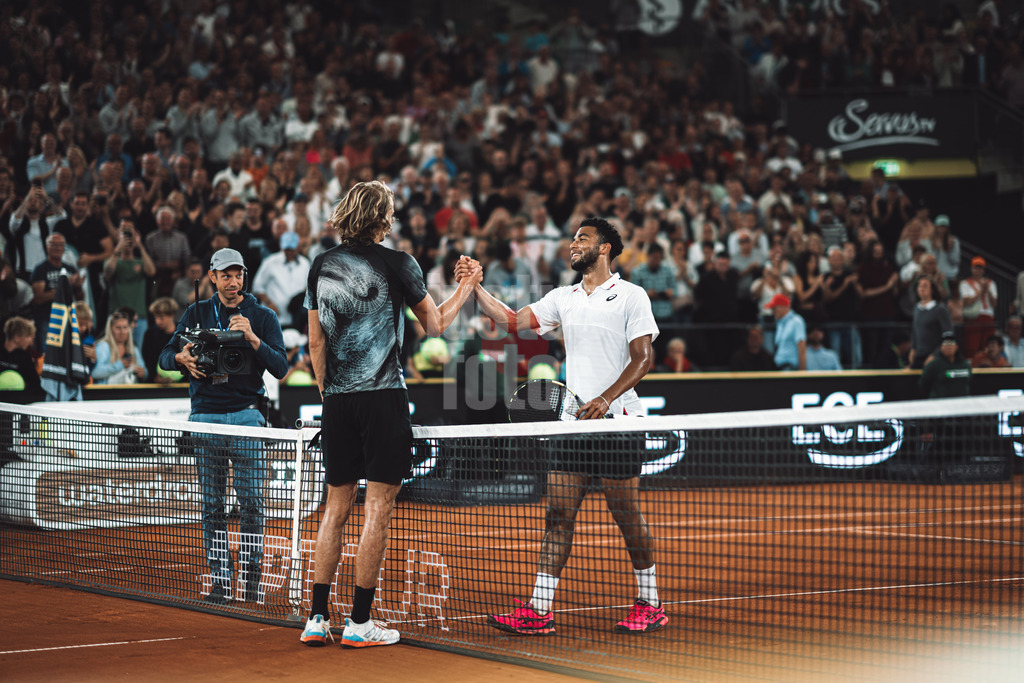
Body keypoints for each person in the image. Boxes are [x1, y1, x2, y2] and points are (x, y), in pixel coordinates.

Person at [457, 216, 668, 636]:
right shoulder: (563, 297)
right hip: (574, 423)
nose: (573, 244)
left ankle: (650, 602)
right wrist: (474, 286)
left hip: (618, 422)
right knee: (557, 514)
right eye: (573, 238)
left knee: (626, 514)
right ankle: (539, 610)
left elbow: (644, 359)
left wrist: (605, 399)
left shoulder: (631, 295)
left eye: (582, 238)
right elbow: (511, 320)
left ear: (604, 248)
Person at [300, 181, 482, 648]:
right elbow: (435, 325)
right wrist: (467, 286)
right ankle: (359, 624)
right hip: (383, 399)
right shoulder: (400, 262)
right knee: (377, 509)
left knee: (335, 508)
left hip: (337, 401)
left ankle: (317, 619)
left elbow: (315, 342)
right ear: (383, 219)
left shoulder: (321, 264)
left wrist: (329, 394)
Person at [158, 248, 288, 605]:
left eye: (238, 274)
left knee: (253, 504)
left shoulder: (262, 316)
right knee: (212, 506)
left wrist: (253, 339)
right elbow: (164, 357)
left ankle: (251, 578)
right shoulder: (195, 313)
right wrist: (180, 358)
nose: (233, 281)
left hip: (247, 415)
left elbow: (280, 367)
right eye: (226, 275)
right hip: (205, 416)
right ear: (212, 277)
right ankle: (220, 580)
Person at [103, 219, 156, 350]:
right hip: (116, 315)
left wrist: (140, 245)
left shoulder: (140, 262)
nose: (128, 240)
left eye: (130, 235)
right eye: (124, 235)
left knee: (138, 351)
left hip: (139, 316)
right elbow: (108, 272)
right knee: (114, 350)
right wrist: (118, 247)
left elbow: (151, 271)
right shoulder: (112, 261)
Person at [251, 231, 310, 329]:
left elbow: (307, 287)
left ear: (298, 247)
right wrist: (269, 303)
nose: (289, 252)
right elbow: (257, 287)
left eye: (292, 249)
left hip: (295, 319)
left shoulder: (305, 264)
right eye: (287, 249)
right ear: (281, 247)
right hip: (272, 317)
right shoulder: (270, 262)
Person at [908, 277, 953, 370]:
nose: (921, 289)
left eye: (925, 286)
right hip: (919, 356)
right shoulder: (917, 308)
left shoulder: (940, 309)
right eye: (920, 286)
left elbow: (948, 335)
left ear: (932, 290)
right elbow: (915, 331)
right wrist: (913, 349)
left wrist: (935, 355)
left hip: (935, 358)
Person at [92, 309, 146, 385]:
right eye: (118, 328)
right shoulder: (103, 346)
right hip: (107, 390)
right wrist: (120, 365)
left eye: (125, 327)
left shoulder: (134, 349)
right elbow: (95, 373)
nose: (122, 332)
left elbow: (145, 372)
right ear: (110, 329)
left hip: (130, 390)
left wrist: (142, 373)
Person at [959, 256, 998, 358]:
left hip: (988, 317)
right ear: (971, 268)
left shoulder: (991, 283)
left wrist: (987, 291)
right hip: (973, 318)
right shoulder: (965, 283)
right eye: (976, 268)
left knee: (987, 347)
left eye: (980, 268)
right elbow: (967, 302)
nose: (978, 270)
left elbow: (994, 303)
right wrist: (980, 292)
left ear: (984, 270)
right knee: (972, 347)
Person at [919, 332, 971, 398]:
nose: (948, 346)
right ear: (941, 347)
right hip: (941, 402)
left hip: (962, 402)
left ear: (956, 346)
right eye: (945, 343)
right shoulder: (933, 365)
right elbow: (923, 384)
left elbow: (970, 382)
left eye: (952, 343)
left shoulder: (965, 365)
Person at [0, 317, 41, 395]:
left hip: (18, 398)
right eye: (28, 336)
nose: (30, 341)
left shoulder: (25, 357)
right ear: (16, 338)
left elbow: (35, 385)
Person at [142, 298, 179, 383]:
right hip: (156, 383)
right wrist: (154, 376)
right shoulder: (150, 334)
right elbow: (147, 359)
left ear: (172, 315)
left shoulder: (183, 333)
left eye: (161, 318)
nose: (157, 321)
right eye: (155, 317)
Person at [766, 293, 806, 371]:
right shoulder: (780, 324)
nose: (772, 312)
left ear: (784, 307)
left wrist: (802, 373)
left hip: (790, 368)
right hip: (779, 367)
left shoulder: (796, 321)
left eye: (774, 308)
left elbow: (802, 348)